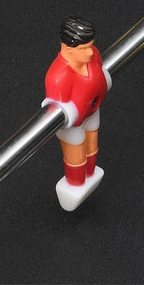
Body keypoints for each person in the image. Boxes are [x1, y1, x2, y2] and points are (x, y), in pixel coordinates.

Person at [42, 15, 110, 211]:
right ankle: (74, 186)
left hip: (92, 112)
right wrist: (69, 114)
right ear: (68, 48)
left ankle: (89, 176)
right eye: (83, 48)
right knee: (77, 157)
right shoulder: (57, 78)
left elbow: (98, 72)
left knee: (92, 150)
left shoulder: (94, 55)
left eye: (91, 46)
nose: (90, 52)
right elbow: (59, 111)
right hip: (72, 123)